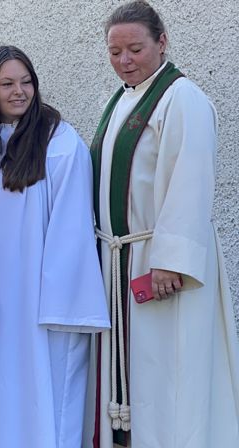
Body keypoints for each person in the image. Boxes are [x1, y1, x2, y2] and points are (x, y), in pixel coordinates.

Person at [84, 2, 239, 447]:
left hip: (160, 264)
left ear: (162, 42)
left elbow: (191, 180)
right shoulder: (122, 99)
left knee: (170, 369)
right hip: (120, 258)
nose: (124, 61)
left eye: (135, 49)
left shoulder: (182, 97)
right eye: (115, 52)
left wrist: (170, 260)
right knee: (137, 369)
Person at [0, 46, 110, 447]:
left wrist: (58, 304)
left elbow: (72, 229)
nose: (19, 91)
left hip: (34, 299)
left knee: (37, 395)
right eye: (7, 84)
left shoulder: (59, 143)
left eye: (26, 82)